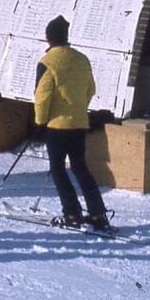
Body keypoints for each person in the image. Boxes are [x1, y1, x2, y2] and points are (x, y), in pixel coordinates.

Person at [33, 15, 109, 230]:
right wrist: (77, 107)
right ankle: (98, 214)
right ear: (66, 37)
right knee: (80, 168)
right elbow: (90, 89)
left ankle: (72, 214)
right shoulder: (81, 59)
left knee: (57, 169)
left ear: (48, 39)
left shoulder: (47, 62)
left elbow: (42, 96)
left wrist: (39, 123)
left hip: (56, 126)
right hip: (79, 123)